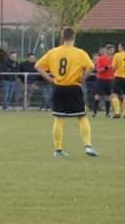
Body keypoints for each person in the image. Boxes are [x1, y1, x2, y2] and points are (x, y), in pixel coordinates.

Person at [36, 28, 98, 158]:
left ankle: (58, 150)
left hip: (59, 88)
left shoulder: (53, 52)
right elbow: (91, 67)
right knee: (82, 117)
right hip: (74, 87)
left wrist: (49, 79)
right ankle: (88, 146)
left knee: (59, 119)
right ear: (74, 37)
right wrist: (83, 78)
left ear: (62, 37)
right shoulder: (80, 53)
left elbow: (38, 66)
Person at [93, 45, 115, 118]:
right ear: (106, 50)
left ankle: (107, 113)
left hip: (110, 80)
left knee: (108, 96)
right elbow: (98, 70)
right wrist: (107, 67)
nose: (112, 52)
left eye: (113, 50)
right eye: (110, 50)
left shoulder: (114, 59)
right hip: (101, 79)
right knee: (98, 95)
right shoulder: (101, 58)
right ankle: (94, 112)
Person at [112, 42, 125, 118]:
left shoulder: (117, 55)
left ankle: (117, 112)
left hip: (119, 76)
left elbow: (114, 67)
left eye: (119, 46)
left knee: (114, 94)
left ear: (121, 47)